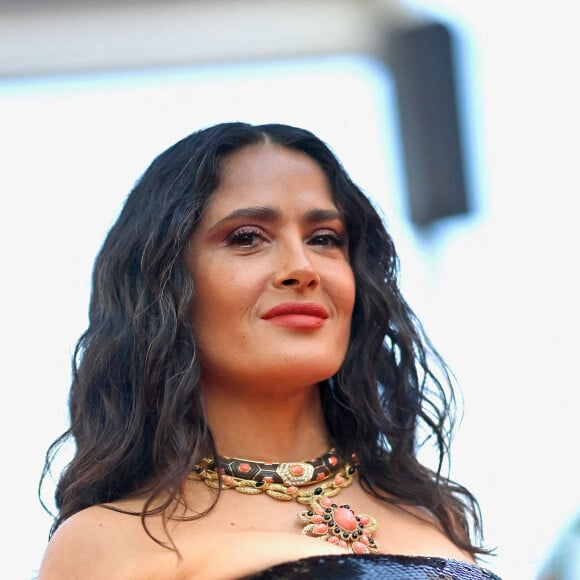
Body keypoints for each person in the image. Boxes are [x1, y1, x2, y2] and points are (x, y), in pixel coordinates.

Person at [38, 122, 500, 579]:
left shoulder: (437, 517)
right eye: (246, 237)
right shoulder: (107, 543)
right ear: (166, 286)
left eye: (324, 239)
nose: (302, 268)